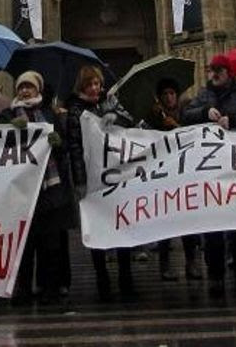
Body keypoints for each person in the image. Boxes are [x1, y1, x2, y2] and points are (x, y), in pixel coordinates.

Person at [181, 54, 236, 296]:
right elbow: (186, 117)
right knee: (213, 228)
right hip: (213, 172)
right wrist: (205, 112)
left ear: (229, 73)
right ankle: (216, 275)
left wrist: (235, 120)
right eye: (211, 70)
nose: (213, 74)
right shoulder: (203, 95)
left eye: (219, 70)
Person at [66, 65, 136, 301]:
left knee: (122, 225)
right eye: (91, 84)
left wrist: (114, 114)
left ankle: (126, 277)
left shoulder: (109, 103)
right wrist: (80, 180)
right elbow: (74, 147)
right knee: (97, 228)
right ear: (83, 86)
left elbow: (131, 124)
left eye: (98, 83)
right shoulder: (75, 111)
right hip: (92, 177)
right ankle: (102, 278)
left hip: (116, 176)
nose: (96, 87)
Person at [3, 71, 73, 303]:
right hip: (21, 188)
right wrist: (11, 131)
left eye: (29, 87)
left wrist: (58, 142)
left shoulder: (49, 114)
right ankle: (22, 289)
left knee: (50, 243)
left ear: (38, 90)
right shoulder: (8, 115)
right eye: (21, 86)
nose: (24, 91)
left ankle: (48, 288)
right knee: (24, 243)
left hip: (49, 187)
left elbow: (63, 146)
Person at [145, 78, 201, 281]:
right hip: (163, 175)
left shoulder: (187, 113)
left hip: (186, 173)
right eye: (165, 94)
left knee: (188, 221)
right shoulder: (153, 117)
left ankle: (191, 262)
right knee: (164, 221)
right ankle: (164, 264)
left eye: (172, 93)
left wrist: (176, 126)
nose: (169, 97)